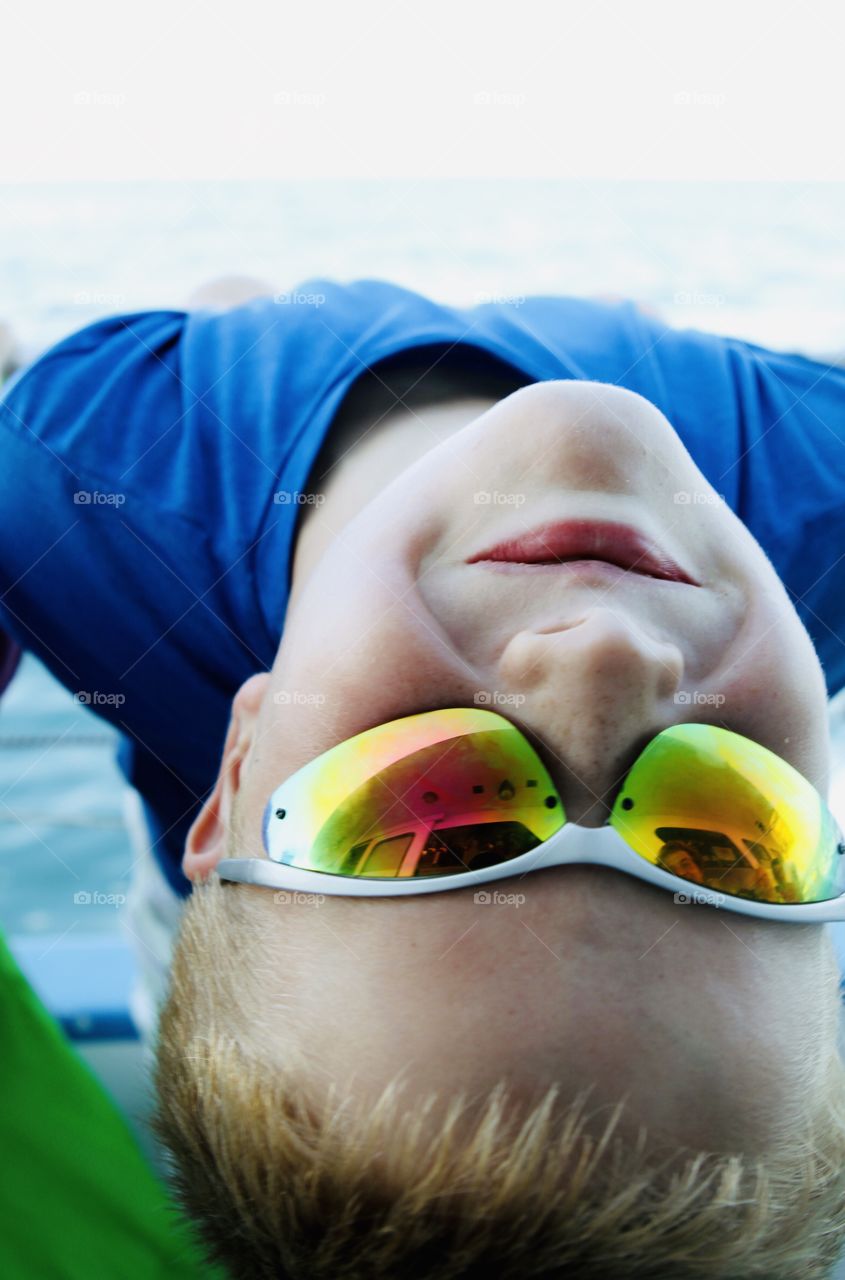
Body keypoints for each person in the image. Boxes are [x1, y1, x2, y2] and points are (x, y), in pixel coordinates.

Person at [3, 274, 845, 1279]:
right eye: (729, 826)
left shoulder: (75, 471)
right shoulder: (817, 479)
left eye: (422, 806)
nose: (603, 658)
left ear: (236, 777)